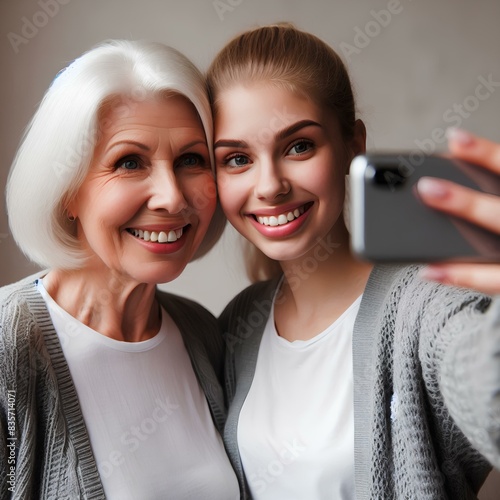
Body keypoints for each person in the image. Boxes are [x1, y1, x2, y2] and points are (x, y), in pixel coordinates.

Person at [206, 23, 500, 499]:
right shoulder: (238, 325)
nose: (270, 186)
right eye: (237, 158)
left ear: (353, 144)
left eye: (298, 146)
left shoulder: (422, 309)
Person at [0, 39, 240, 499]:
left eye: (191, 159)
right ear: (66, 188)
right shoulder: (9, 348)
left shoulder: (204, 335)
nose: (172, 197)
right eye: (130, 162)